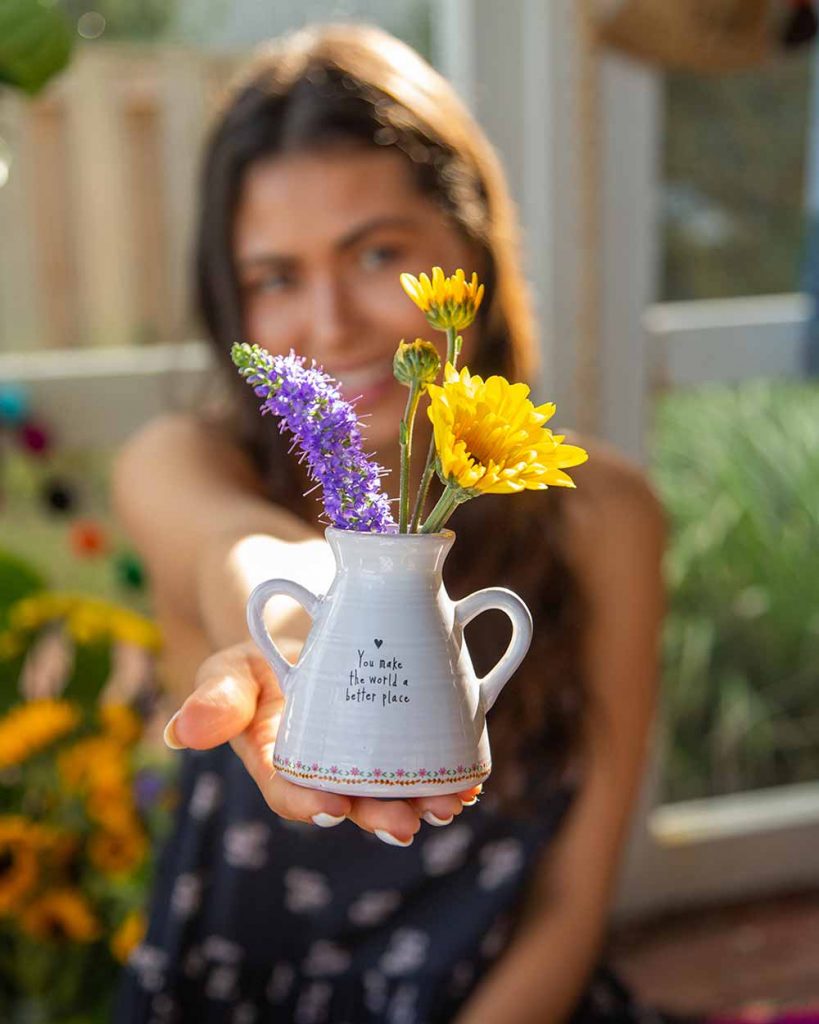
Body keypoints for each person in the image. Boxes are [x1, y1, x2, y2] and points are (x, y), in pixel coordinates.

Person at [112, 22, 687, 1024]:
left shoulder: (605, 519)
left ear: (470, 255)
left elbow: (571, 899)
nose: (331, 323)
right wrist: (302, 621)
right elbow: (230, 550)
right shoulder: (181, 460)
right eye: (276, 277)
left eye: (377, 252)